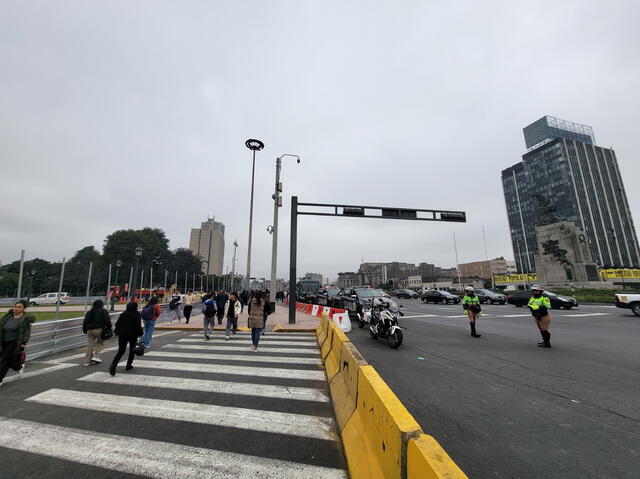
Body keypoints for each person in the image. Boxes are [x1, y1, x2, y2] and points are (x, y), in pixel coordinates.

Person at [0, 300, 36, 386]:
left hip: (15, 342)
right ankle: (18, 367)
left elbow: (27, 332)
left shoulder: (24, 319)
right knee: (8, 360)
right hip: (3, 340)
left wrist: (23, 343)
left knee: (4, 360)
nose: (16, 308)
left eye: (19, 307)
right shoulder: (7, 317)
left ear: (23, 309)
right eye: (15, 307)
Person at [109, 302, 144, 376]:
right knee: (132, 350)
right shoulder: (136, 314)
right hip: (133, 335)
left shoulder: (123, 314)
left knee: (121, 351)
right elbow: (138, 325)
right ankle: (129, 365)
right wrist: (141, 333)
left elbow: (117, 324)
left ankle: (113, 365)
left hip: (123, 334)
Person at [82, 299, 112, 366]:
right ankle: (96, 355)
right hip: (99, 330)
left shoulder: (89, 312)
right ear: (102, 305)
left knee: (90, 345)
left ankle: (87, 362)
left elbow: (85, 322)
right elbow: (107, 320)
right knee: (101, 343)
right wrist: (109, 327)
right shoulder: (103, 311)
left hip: (89, 330)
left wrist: (84, 330)